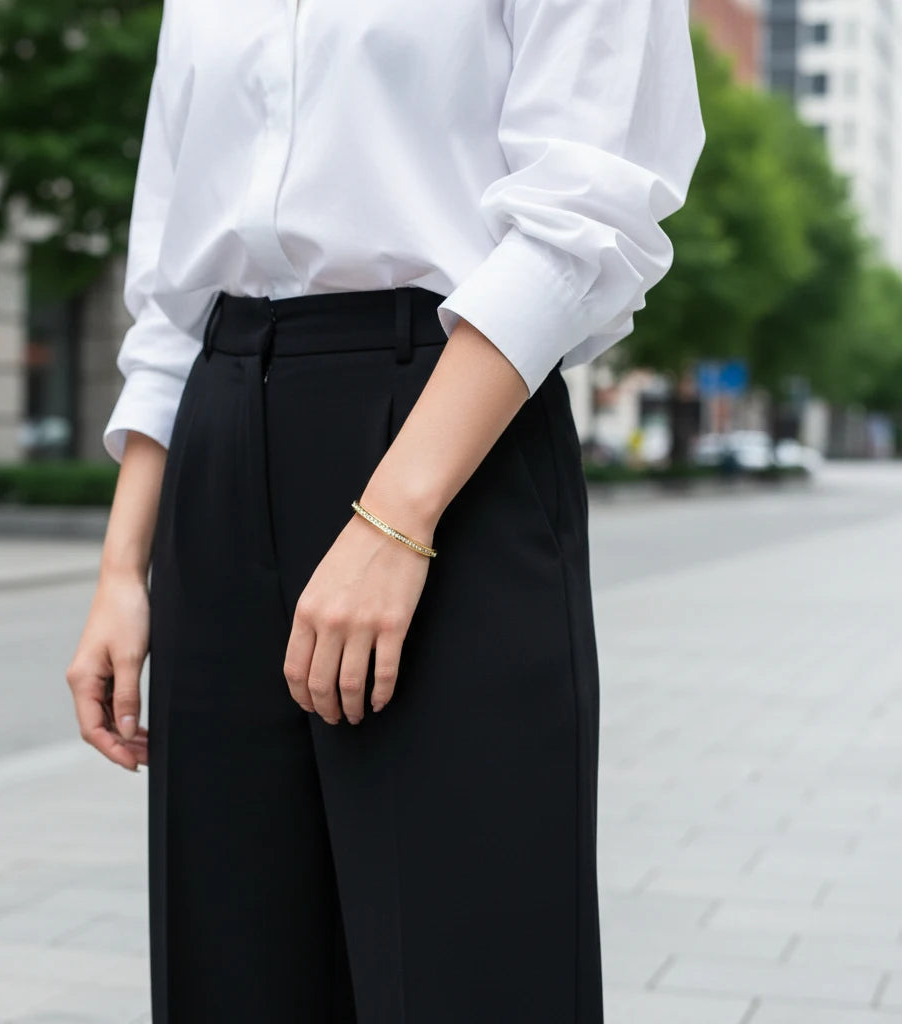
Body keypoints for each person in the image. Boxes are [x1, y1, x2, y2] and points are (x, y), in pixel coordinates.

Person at [65, 1, 705, 1020]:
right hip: (222, 428)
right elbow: (171, 292)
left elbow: (587, 213)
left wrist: (393, 520)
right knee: (228, 962)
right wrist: (119, 568)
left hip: (453, 426)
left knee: (468, 959)